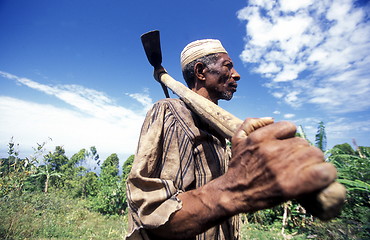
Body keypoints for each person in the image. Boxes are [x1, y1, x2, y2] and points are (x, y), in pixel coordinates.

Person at [125, 39, 337, 240]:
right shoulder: (171, 112)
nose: (236, 75)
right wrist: (238, 188)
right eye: (228, 66)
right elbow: (153, 214)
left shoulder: (222, 134)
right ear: (201, 71)